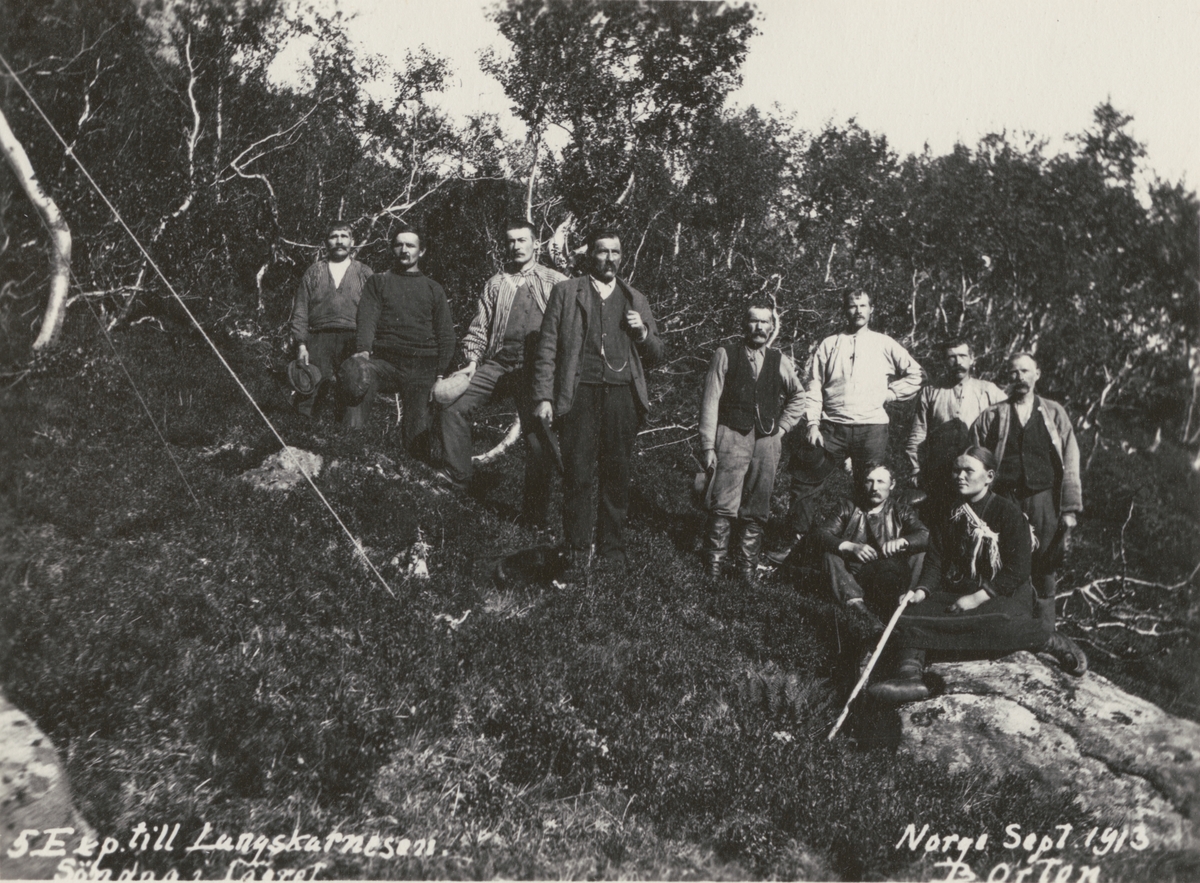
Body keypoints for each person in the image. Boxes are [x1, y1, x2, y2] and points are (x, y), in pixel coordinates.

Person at [868, 447, 1087, 704]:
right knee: (904, 615)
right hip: (961, 590)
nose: (960, 476)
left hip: (1004, 594)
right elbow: (935, 563)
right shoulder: (947, 513)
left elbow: (1018, 570)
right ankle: (910, 678)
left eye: (968, 471)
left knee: (1000, 621)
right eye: (956, 470)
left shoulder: (1008, 513)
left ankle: (1047, 639)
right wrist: (921, 591)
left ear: (989, 477)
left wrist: (977, 598)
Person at [532, 230, 664, 580]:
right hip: (580, 395)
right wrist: (544, 397)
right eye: (602, 251)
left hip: (622, 397)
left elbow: (656, 354)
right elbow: (547, 348)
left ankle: (612, 554)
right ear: (589, 255)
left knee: (616, 476)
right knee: (578, 474)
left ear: (623, 257)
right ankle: (577, 552)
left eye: (616, 252)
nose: (609, 258)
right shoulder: (566, 291)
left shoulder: (635, 297)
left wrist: (642, 334)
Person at [768, 290, 923, 564]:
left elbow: (915, 375)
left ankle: (866, 551)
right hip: (832, 427)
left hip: (872, 428)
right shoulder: (830, 343)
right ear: (845, 310)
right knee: (805, 480)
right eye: (852, 306)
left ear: (871, 309)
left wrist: (889, 394)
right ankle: (796, 543)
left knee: (871, 489)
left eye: (863, 305)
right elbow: (814, 384)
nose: (858, 311)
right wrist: (813, 423)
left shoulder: (884, 343)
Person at [435, 220, 567, 527]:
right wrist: (471, 361)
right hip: (499, 364)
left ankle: (534, 519)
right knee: (453, 408)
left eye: (523, 240)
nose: (516, 246)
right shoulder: (496, 283)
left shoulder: (556, 281)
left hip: (537, 369)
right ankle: (458, 477)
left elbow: (568, 329)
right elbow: (479, 329)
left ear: (536, 244)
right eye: (511, 241)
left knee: (538, 441)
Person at [970, 352, 1082, 627]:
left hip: (1042, 500)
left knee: (1044, 567)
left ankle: (1044, 634)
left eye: (1025, 371)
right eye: (1014, 372)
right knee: (1002, 562)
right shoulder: (992, 415)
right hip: (1004, 501)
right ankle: (1005, 628)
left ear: (1037, 374)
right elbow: (972, 457)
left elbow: (1070, 459)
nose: (1019, 377)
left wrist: (1069, 509)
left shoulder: (1054, 413)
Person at [697, 304, 805, 583]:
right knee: (723, 502)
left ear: (771, 328)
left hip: (767, 440)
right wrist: (708, 445)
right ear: (744, 325)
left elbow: (798, 397)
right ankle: (713, 568)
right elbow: (710, 402)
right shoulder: (725, 354)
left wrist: (782, 429)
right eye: (753, 322)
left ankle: (746, 570)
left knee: (758, 505)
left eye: (765, 323)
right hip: (731, 434)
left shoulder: (779, 359)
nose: (759, 328)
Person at [340, 224, 455, 457]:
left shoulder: (434, 289)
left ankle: (413, 479)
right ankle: (347, 452)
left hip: (423, 368)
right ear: (392, 249)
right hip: (386, 363)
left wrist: (441, 374)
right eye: (399, 245)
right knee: (357, 376)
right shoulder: (378, 282)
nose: (404, 250)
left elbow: (446, 335)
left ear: (421, 252)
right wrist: (363, 352)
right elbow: (367, 319)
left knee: (417, 439)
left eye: (410, 245)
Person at [817, 462, 929, 634]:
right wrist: (850, 547)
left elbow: (924, 534)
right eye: (869, 481)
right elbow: (822, 534)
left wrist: (903, 541)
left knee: (920, 553)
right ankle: (861, 612)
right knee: (829, 556)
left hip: (894, 575)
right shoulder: (847, 507)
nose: (874, 487)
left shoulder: (901, 510)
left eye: (881, 482)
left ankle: (907, 605)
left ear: (892, 485)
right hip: (856, 575)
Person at [905, 339, 1006, 518]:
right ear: (944, 361)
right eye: (951, 357)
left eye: (962, 356)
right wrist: (915, 469)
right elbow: (918, 433)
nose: (958, 362)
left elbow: (1006, 428)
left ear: (972, 358)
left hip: (977, 474)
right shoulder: (931, 392)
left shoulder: (989, 391)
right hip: (940, 472)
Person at [287, 222, 373, 418]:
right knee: (308, 386)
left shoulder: (364, 273)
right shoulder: (314, 271)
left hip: (353, 339)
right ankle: (300, 437)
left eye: (344, 236)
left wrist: (366, 347)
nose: (339, 241)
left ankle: (348, 441)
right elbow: (300, 309)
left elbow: (373, 313)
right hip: (318, 338)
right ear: (326, 242)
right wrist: (301, 344)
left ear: (352, 241)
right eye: (334, 236)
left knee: (353, 389)